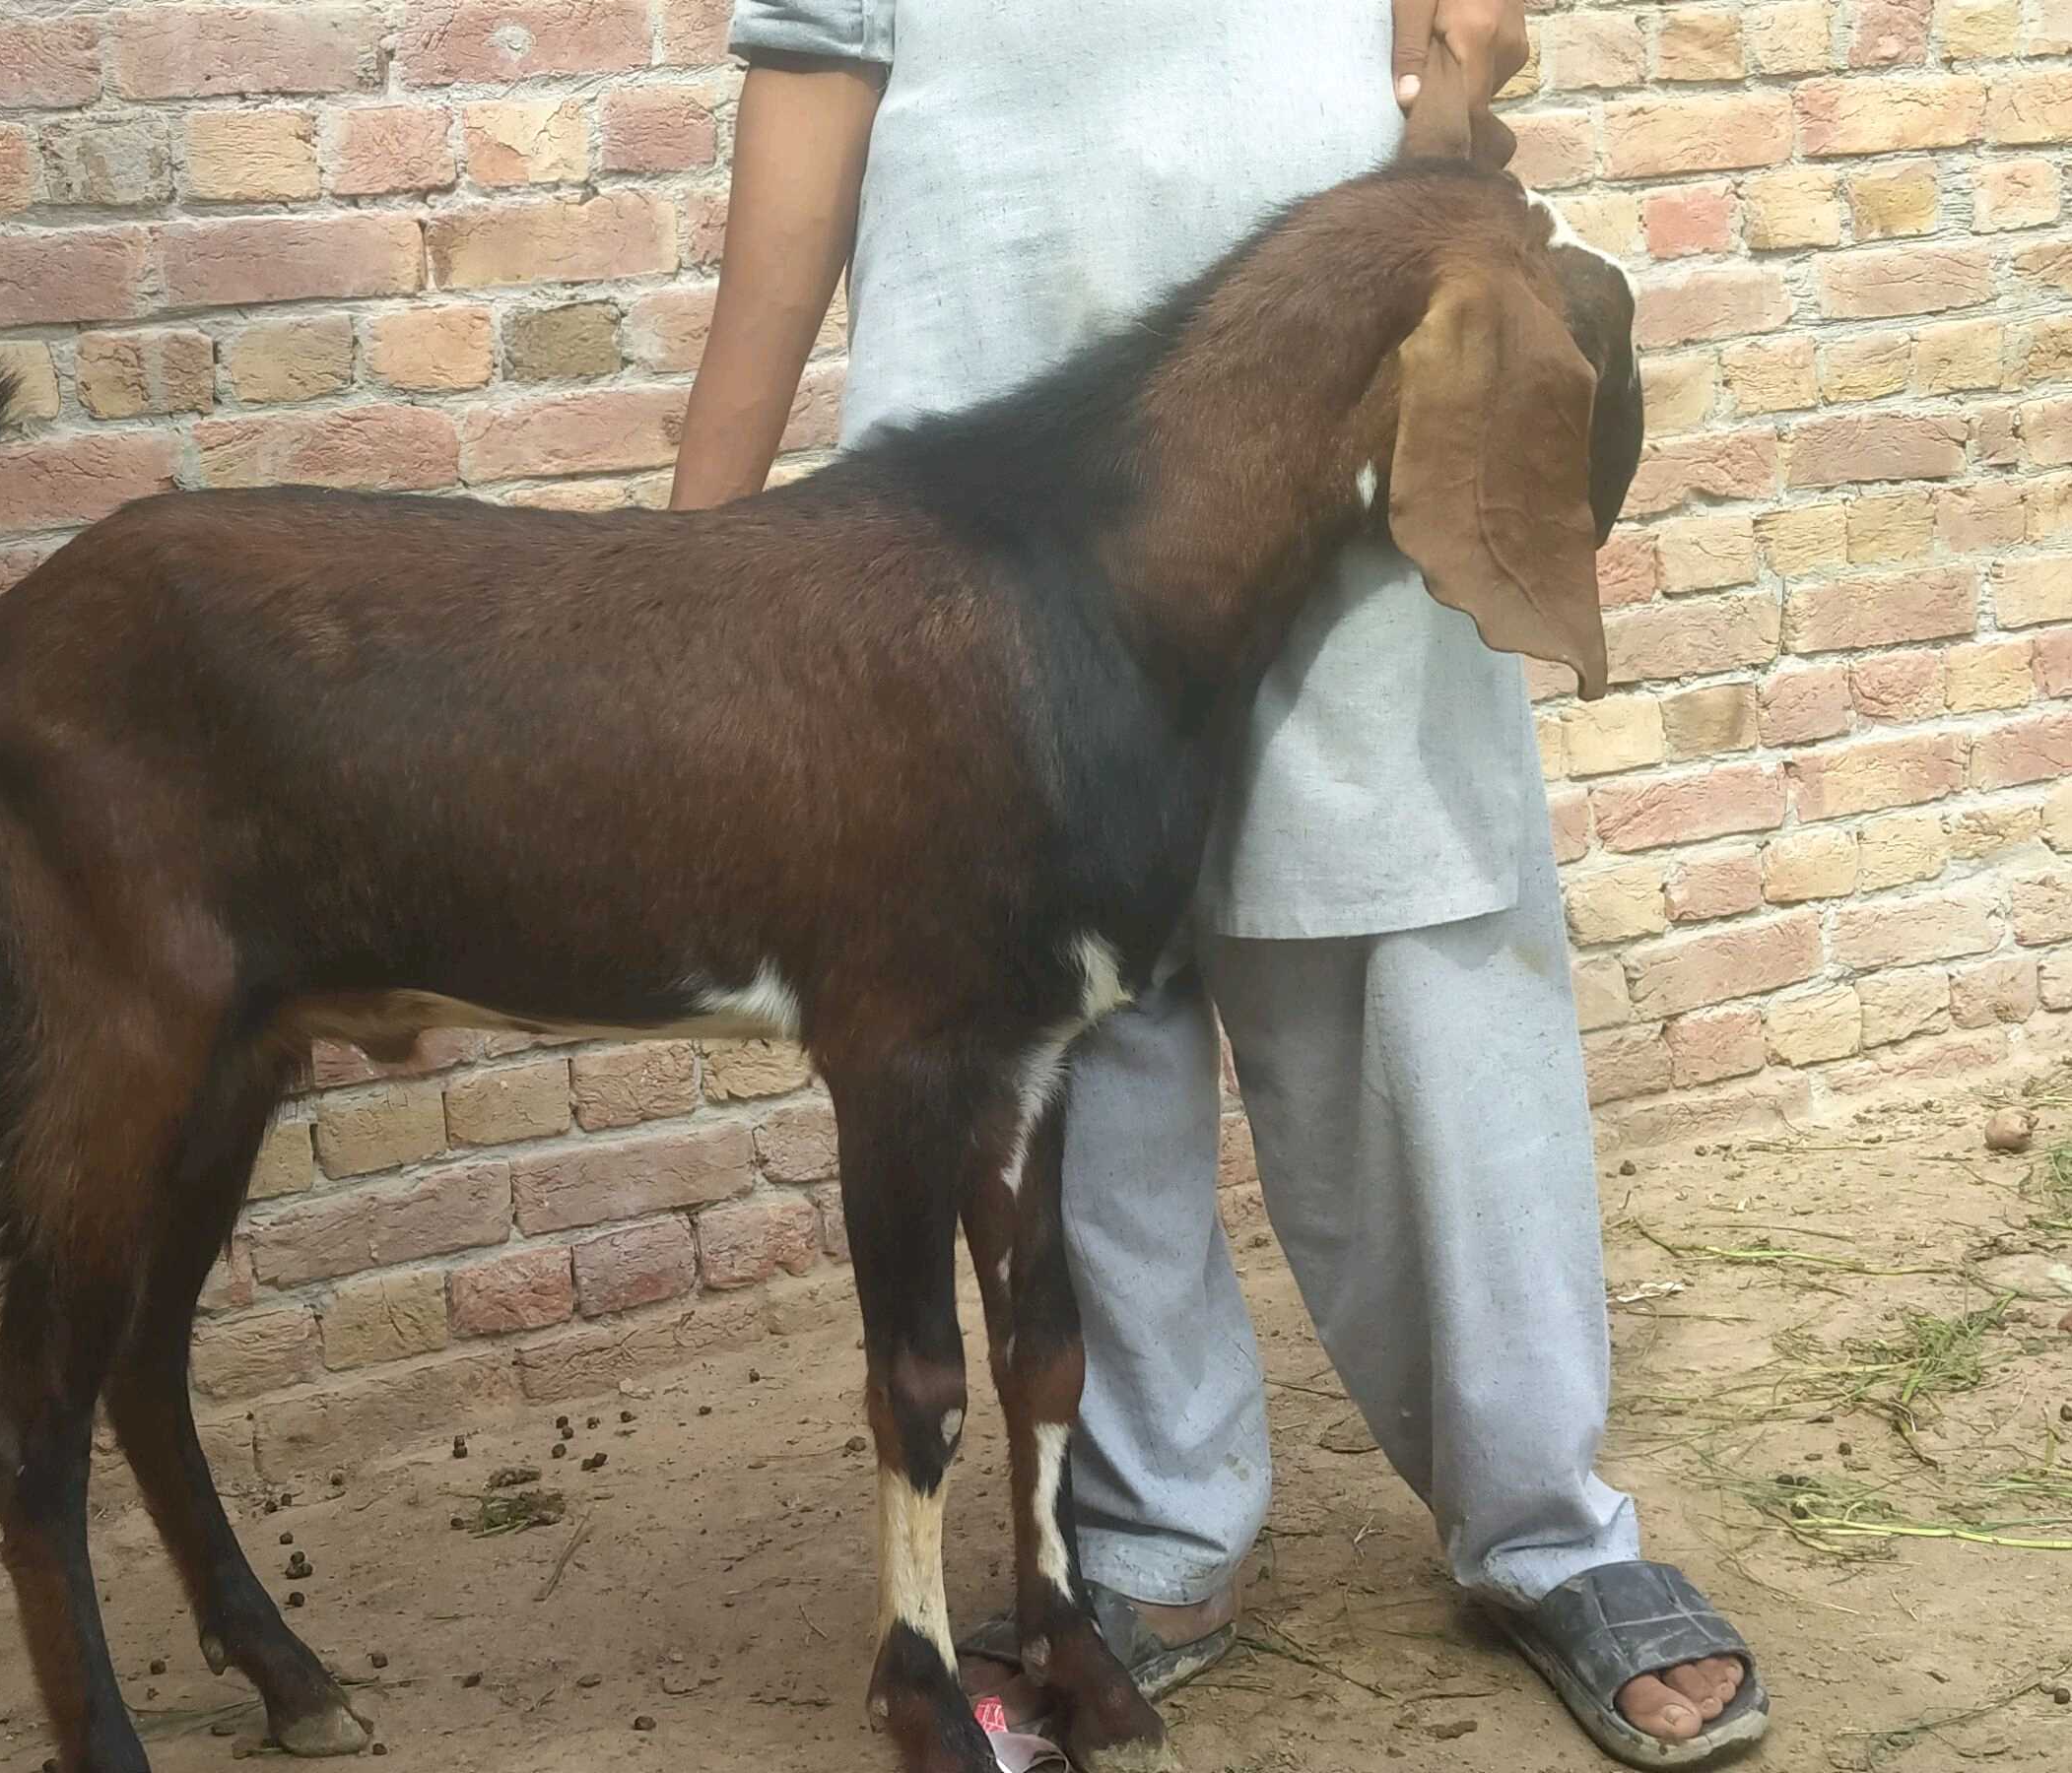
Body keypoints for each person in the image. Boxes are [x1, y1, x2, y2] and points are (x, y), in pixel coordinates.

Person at [669, 3, 1771, 1766]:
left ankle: (1545, 1523)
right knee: (1072, 1027)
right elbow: (807, 106)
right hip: (1000, 470)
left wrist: (1456, 114)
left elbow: (1462, 42)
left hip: (1347, 409)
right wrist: (692, 560)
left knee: (1424, 959)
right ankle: (1153, 1537)